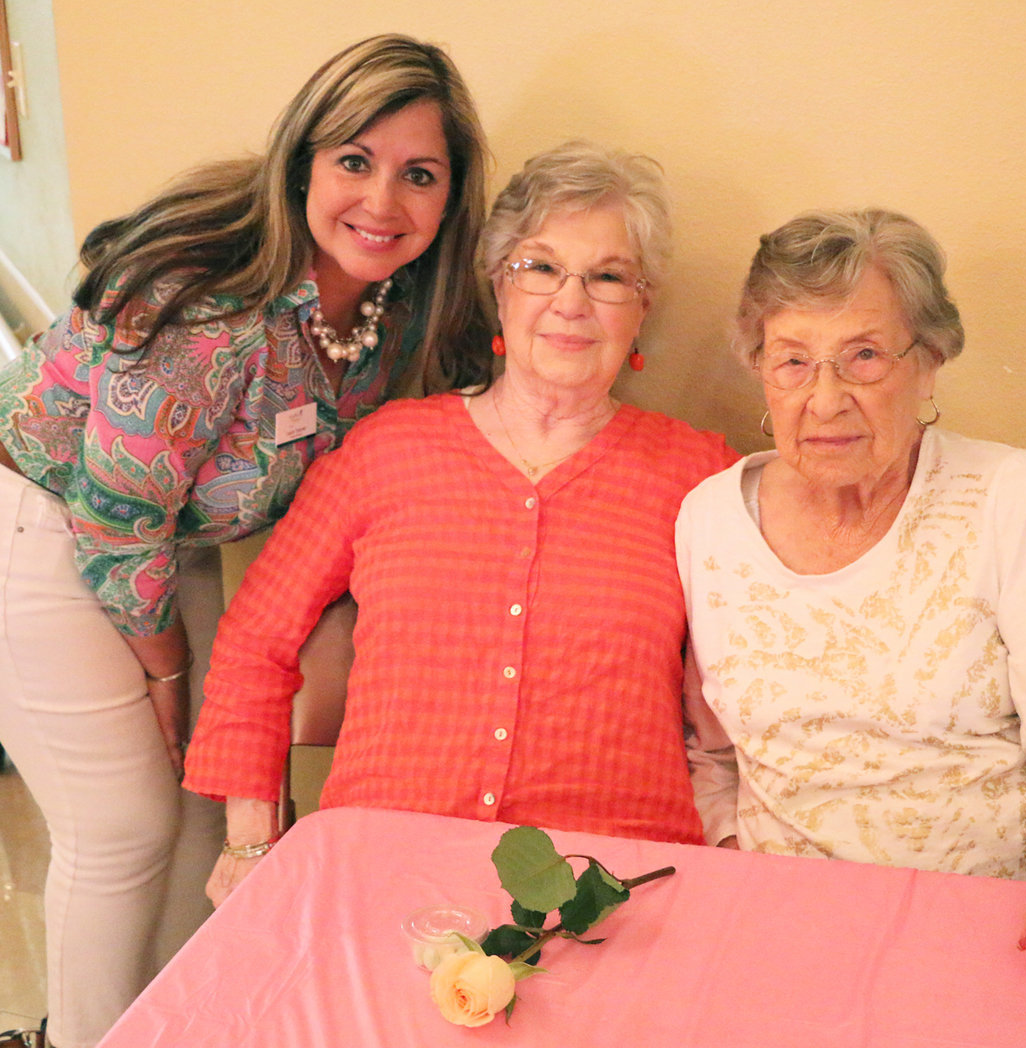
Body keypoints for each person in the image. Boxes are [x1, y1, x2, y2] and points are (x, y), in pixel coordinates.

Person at [0, 34, 488, 1048]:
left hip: (163, 542)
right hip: (47, 519)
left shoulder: (394, 310)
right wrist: (168, 668)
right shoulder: (208, 301)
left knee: (197, 810)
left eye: (420, 174)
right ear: (304, 159)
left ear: (451, 199)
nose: (383, 201)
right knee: (123, 826)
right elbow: (112, 508)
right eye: (354, 160)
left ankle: (176, 1028)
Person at [183, 141, 739, 905]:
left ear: (642, 308)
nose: (570, 302)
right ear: (498, 287)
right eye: (540, 267)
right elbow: (255, 640)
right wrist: (250, 842)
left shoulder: (700, 475)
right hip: (386, 871)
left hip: (614, 887)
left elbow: (764, 685)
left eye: (608, 277)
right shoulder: (387, 448)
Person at [677, 208, 1026, 978]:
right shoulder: (708, 518)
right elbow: (710, 753)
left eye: (864, 356)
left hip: (999, 931)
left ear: (930, 359)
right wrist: (742, 865)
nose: (826, 397)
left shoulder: (1007, 495)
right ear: (758, 368)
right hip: (783, 932)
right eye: (793, 362)